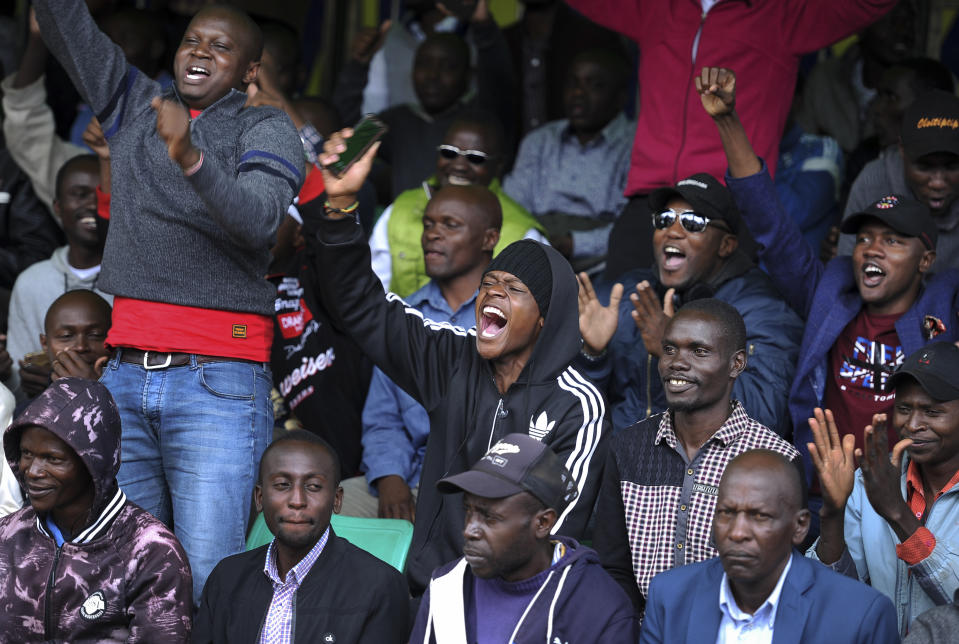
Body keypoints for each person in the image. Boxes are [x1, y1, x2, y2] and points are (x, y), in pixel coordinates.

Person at [33, 0, 304, 602]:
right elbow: (67, 27)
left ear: (250, 71)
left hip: (220, 382)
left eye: (220, 46)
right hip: (126, 374)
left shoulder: (267, 129)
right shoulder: (134, 102)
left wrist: (191, 159)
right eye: (191, 40)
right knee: (123, 576)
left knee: (210, 578)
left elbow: (259, 220)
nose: (200, 52)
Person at [307, 131, 608, 597]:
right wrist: (342, 206)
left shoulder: (577, 404)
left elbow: (561, 523)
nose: (492, 293)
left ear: (545, 319)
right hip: (432, 589)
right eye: (490, 283)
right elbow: (363, 309)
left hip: (518, 602)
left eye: (513, 289)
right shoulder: (451, 356)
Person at [704, 66, 959, 506]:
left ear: (926, 261)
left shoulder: (946, 305)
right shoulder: (828, 296)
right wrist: (728, 120)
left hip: (913, 502)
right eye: (864, 239)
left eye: (893, 241)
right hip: (822, 497)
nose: (872, 250)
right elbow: (771, 226)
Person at [565, 0, 898, 281]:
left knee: (708, 340)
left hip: (731, 205)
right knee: (621, 327)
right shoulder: (659, 6)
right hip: (651, 199)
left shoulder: (781, 13)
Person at [592, 300, 799, 613]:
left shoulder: (775, 460)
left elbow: (782, 583)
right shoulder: (627, 447)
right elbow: (614, 568)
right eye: (670, 349)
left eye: (698, 351)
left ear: (736, 364)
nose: (677, 362)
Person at [577, 174, 803, 436]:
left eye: (692, 223)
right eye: (664, 220)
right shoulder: (630, 292)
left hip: (705, 471)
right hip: (620, 461)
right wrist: (592, 355)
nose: (672, 231)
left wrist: (674, 352)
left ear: (726, 245)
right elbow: (576, 406)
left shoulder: (763, 310)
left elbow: (765, 417)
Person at [340, 184, 501, 520]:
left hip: (486, 481)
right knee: (330, 510)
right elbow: (383, 417)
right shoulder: (404, 315)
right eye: (428, 224)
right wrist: (389, 479)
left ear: (488, 239)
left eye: (450, 225)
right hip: (411, 477)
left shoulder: (510, 311)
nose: (432, 235)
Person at [0, 378, 192, 641]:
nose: (32, 471)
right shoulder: (7, 536)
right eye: (26, 454)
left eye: (52, 459)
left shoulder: (151, 551)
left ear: (94, 463)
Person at [641, 449, 899, 643]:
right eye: (726, 513)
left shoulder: (860, 614)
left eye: (759, 516)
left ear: (799, 526)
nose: (738, 532)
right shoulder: (670, 596)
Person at [411, 433, 637, 642]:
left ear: (543, 523)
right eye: (468, 510)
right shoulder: (447, 586)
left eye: (489, 518)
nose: (469, 530)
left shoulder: (601, 609)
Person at [193, 429, 409, 643]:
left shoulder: (379, 586)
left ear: (337, 499)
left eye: (313, 486)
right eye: (282, 485)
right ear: (260, 498)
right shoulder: (227, 578)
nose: (297, 500)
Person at [807, 342, 959, 636]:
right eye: (903, 409)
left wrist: (898, 514)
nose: (913, 424)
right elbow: (825, 598)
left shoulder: (885, 494)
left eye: (932, 411)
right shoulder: (871, 483)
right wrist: (833, 515)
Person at [369, 112, 546, 297]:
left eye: (475, 158)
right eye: (449, 153)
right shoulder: (400, 210)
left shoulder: (523, 232)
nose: (459, 165)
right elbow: (374, 293)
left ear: (499, 165)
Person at [503, 48, 634, 270]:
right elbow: (512, 207)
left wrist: (575, 244)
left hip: (604, 262)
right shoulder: (540, 140)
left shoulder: (636, 145)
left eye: (594, 85)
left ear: (620, 98)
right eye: (573, 83)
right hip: (537, 252)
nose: (578, 94)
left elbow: (633, 227)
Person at [6, 155, 111, 400]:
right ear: (57, 207)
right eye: (80, 194)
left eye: (102, 194)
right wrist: (24, 378)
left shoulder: (134, 282)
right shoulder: (31, 282)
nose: (92, 204)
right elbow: (15, 381)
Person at [837, 90, 959, 271]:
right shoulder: (874, 182)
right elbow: (847, 270)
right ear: (902, 150)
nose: (938, 183)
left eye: (951, 167)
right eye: (924, 168)